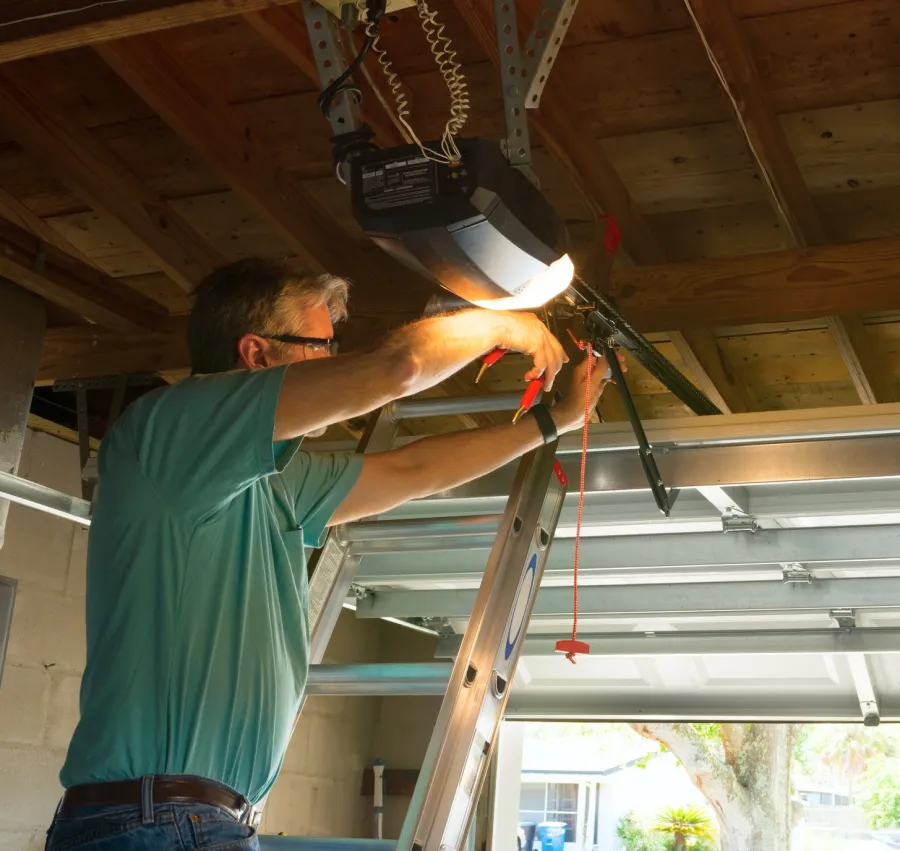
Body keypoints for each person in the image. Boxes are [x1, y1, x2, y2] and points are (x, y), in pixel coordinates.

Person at [45, 258, 616, 850]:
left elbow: (412, 470)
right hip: (159, 819)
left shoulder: (276, 482)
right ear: (257, 354)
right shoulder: (169, 433)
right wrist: (504, 324)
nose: (331, 361)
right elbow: (397, 367)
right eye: (320, 345)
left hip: (190, 820)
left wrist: (551, 422)